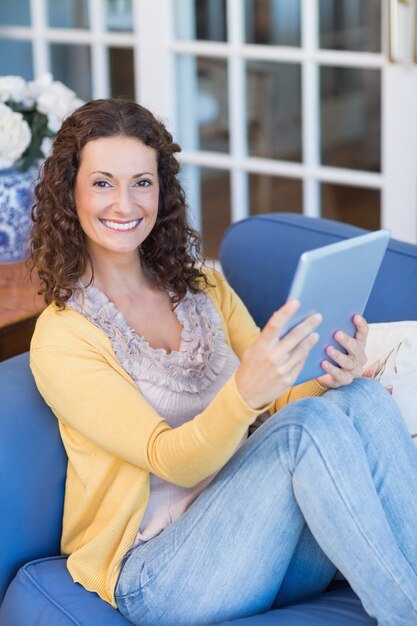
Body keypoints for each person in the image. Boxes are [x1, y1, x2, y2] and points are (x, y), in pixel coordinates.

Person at [28, 98, 417, 626]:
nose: (125, 203)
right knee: (304, 427)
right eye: (102, 183)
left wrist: (328, 373)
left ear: (161, 190)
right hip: (162, 577)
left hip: (265, 546)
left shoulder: (204, 287)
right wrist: (246, 393)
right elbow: (171, 459)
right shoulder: (64, 336)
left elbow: (280, 398)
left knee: (358, 397)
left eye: (142, 182)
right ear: (69, 191)